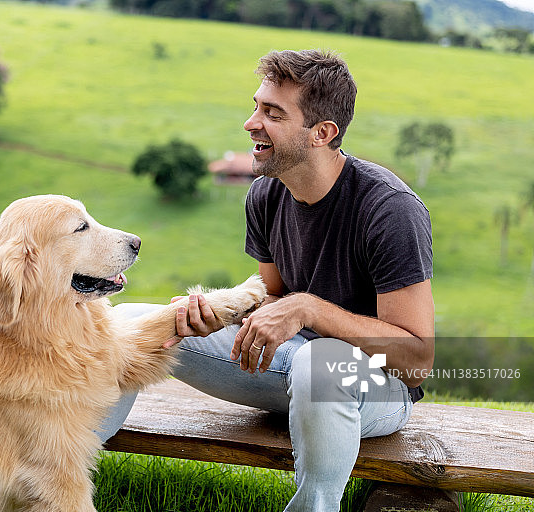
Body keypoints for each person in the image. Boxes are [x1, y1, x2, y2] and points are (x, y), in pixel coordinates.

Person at [102, 49, 434, 512]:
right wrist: (216, 312)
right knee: (136, 320)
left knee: (319, 363)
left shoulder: (389, 210)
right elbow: (272, 297)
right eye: (257, 106)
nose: (250, 123)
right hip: (289, 366)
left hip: (374, 390)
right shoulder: (266, 193)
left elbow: (416, 360)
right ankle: (55, 480)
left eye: (272, 113)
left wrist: (309, 308)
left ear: (322, 133)